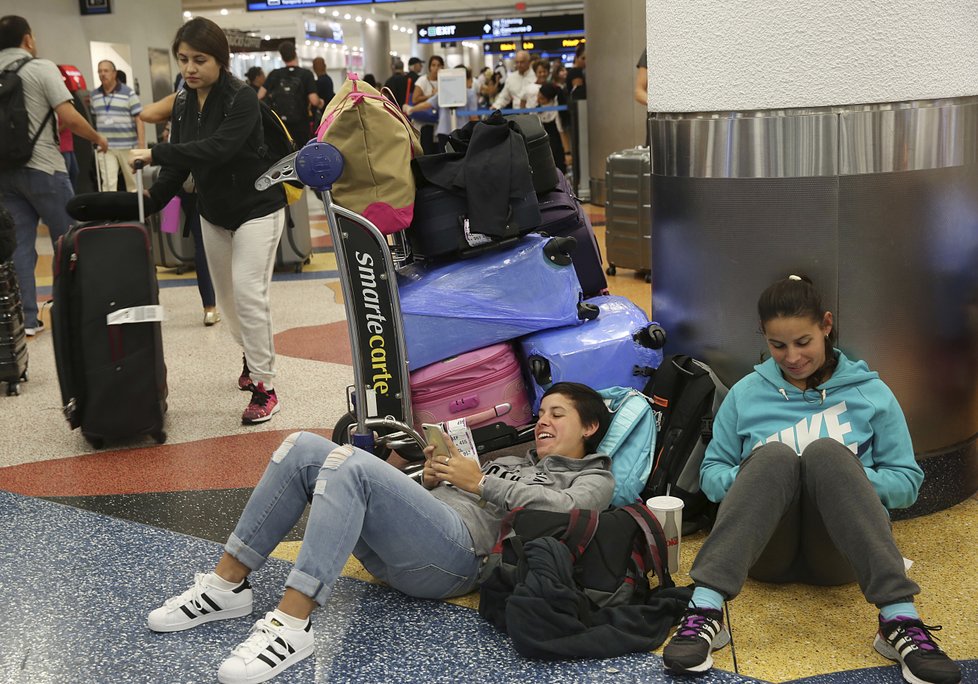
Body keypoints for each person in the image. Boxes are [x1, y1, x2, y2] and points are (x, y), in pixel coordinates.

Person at [147, 382, 613, 683]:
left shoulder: (594, 476)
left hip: (461, 560)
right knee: (303, 446)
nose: (542, 422)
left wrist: (479, 482)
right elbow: (467, 493)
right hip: (421, 539)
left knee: (350, 462)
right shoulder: (513, 460)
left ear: (589, 427)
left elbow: (572, 511)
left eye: (557, 414)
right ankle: (227, 585)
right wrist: (438, 478)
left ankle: (291, 625)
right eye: (542, 413)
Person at [661, 276, 961, 684]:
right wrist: (761, 477)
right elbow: (712, 475)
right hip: (762, 549)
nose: (792, 357)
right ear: (765, 340)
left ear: (826, 325)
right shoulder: (747, 393)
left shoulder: (870, 392)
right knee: (775, 457)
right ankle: (704, 611)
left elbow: (907, 482)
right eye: (778, 345)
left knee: (826, 454)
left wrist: (846, 478)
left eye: (803, 342)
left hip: (839, 554)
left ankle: (899, 622)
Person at [129, 17, 287, 424]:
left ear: (220, 59)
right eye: (183, 60)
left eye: (199, 59)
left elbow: (218, 149)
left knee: (250, 293)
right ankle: (250, 357)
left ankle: (265, 387)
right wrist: (145, 204)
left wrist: (156, 154)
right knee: (229, 304)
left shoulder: (242, 98)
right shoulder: (183, 102)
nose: (189, 69)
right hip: (213, 213)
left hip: (257, 209)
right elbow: (177, 167)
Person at [0, 15, 108, 337]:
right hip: (45, 168)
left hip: (5, 174)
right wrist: (97, 138)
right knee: (73, 240)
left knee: (19, 247)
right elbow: (69, 116)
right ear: (28, 40)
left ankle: (27, 321)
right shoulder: (40, 68)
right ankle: (84, 312)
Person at [90, 59, 144, 192]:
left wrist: (142, 146)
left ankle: (138, 211)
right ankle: (110, 213)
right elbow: (94, 119)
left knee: (134, 184)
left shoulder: (128, 93)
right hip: (106, 147)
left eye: (106, 71)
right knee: (108, 185)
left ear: (114, 73)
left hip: (128, 146)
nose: (103, 74)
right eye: (100, 71)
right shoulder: (94, 96)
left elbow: (139, 119)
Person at [258, 41, 319, 147]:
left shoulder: (275, 74)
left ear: (282, 56)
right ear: (295, 53)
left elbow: (259, 96)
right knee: (300, 153)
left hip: (280, 125)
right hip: (301, 124)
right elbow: (314, 101)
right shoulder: (306, 74)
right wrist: (320, 102)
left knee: (282, 153)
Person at [408, 55, 443, 155]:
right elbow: (415, 99)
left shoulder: (444, 80)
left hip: (439, 123)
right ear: (429, 67)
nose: (436, 68)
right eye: (433, 65)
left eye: (439, 65)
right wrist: (431, 96)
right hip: (425, 123)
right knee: (427, 151)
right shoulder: (423, 80)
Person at [536, 82, 570, 174]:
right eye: (538, 96)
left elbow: (562, 132)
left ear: (549, 98)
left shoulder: (556, 110)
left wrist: (567, 153)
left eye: (541, 98)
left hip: (557, 148)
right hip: (544, 147)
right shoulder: (537, 109)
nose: (538, 99)